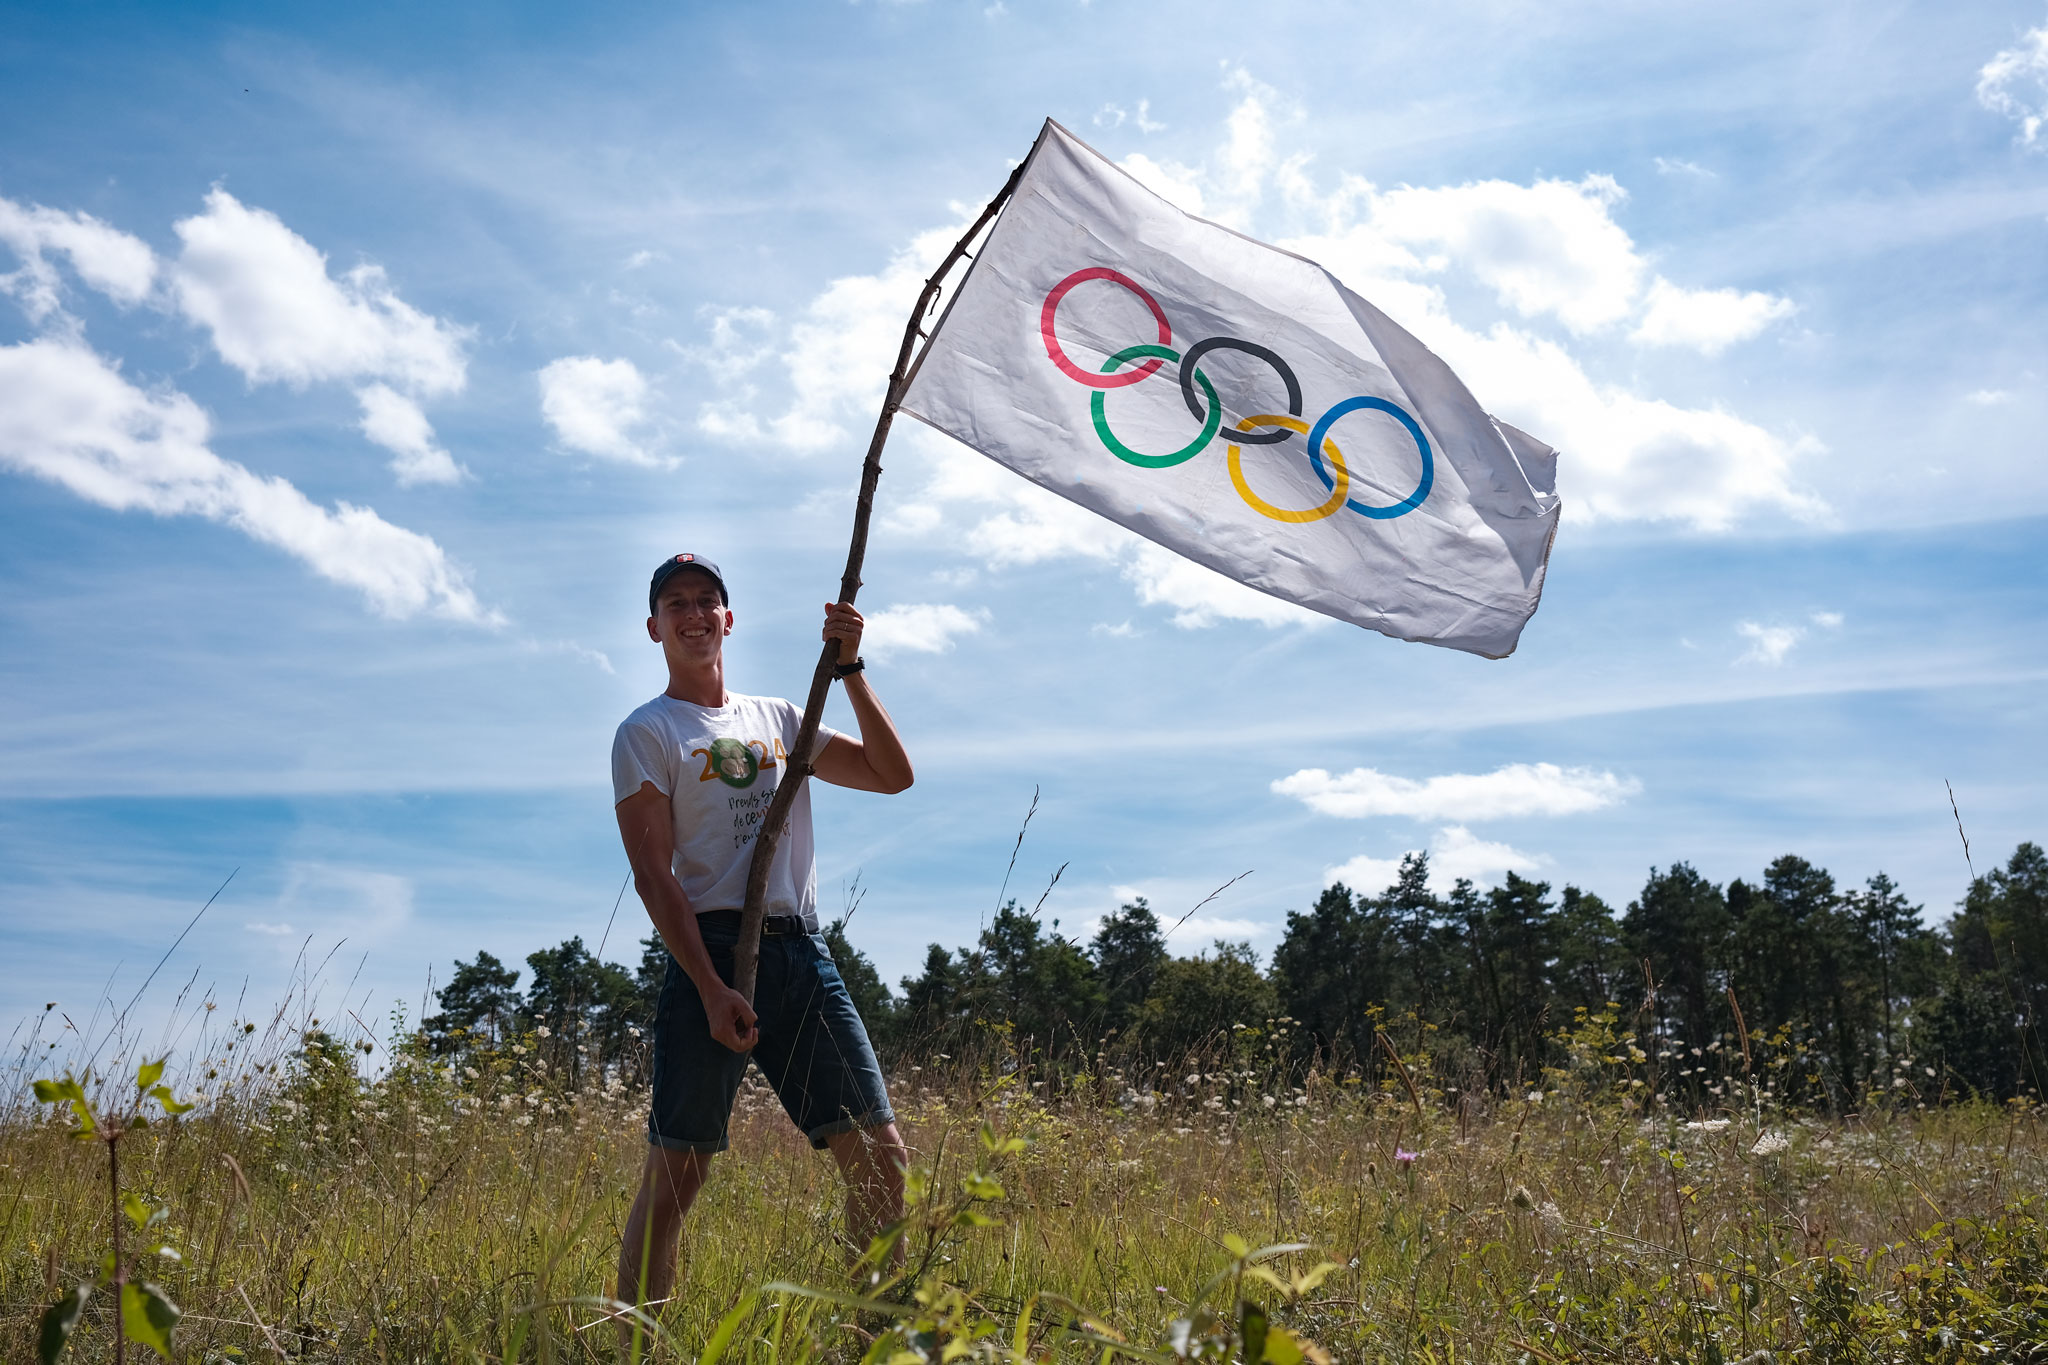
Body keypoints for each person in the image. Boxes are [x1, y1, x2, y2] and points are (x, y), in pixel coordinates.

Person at [611, 552, 913, 1320]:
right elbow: (654, 876)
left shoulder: (781, 718)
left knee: (881, 1162)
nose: (693, 613)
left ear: (728, 617)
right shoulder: (648, 732)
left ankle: (869, 1335)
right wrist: (712, 990)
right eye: (675, 603)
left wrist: (848, 668)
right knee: (677, 1177)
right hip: (706, 953)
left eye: (707, 600)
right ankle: (642, 1344)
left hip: (800, 952)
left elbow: (890, 773)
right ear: (654, 627)